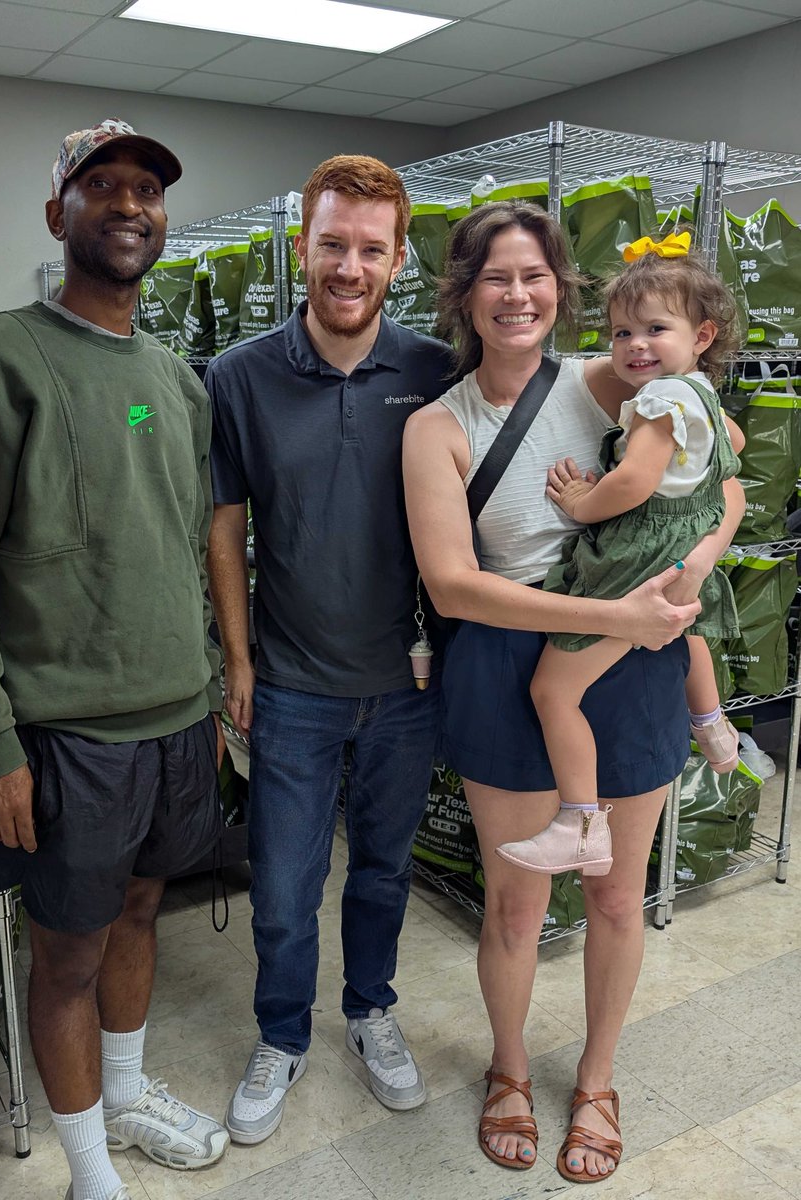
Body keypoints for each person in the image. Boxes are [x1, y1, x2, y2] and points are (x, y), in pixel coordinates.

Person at [0, 120, 229, 1200]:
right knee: (69, 955)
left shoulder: (177, 381)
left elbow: (182, 547)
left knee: (138, 915)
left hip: (175, 722)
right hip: (62, 739)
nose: (129, 204)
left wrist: (216, 686)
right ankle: (90, 1172)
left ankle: (124, 1099)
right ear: (59, 215)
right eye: (102, 186)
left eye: (147, 189)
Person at [402, 202, 744, 1183]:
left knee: (613, 896)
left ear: (561, 289)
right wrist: (621, 619)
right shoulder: (439, 425)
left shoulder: (612, 378)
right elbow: (451, 585)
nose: (517, 296)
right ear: (463, 294)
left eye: (535, 276)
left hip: (630, 662)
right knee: (512, 906)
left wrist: (685, 572)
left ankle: (595, 1079)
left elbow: (721, 475)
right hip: (512, 663)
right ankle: (507, 1071)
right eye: (494, 278)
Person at [206, 154, 455, 1145]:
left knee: (384, 871)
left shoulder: (436, 371)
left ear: (397, 259)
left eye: (368, 249)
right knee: (281, 886)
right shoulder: (240, 377)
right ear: (299, 249)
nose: (347, 267)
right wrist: (237, 661)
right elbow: (226, 527)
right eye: (330, 245)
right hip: (293, 688)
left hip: (407, 686)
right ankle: (282, 1032)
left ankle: (369, 1011)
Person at [498, 239, 744, 877]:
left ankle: (580, 820)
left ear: (703, 335)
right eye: (622, 333)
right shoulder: (703, 397)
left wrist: (581, 503)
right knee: (680, 632)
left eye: (656, 329)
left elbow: (634, 483)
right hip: (681, 547)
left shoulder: (661, 403)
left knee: (554, 689)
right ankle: (713, 725)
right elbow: (732, 449)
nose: (636, 345)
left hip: (638, 558)